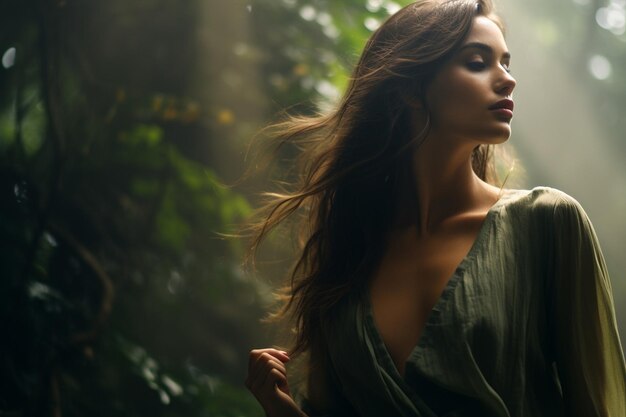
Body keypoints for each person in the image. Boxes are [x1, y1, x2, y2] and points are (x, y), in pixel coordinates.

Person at [244, 0, 626, 416]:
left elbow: (599, 404)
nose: (508, 81)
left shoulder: (547, 223)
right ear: (410, 87)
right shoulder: (349, 255)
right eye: (478, 63)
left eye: (506, 64)